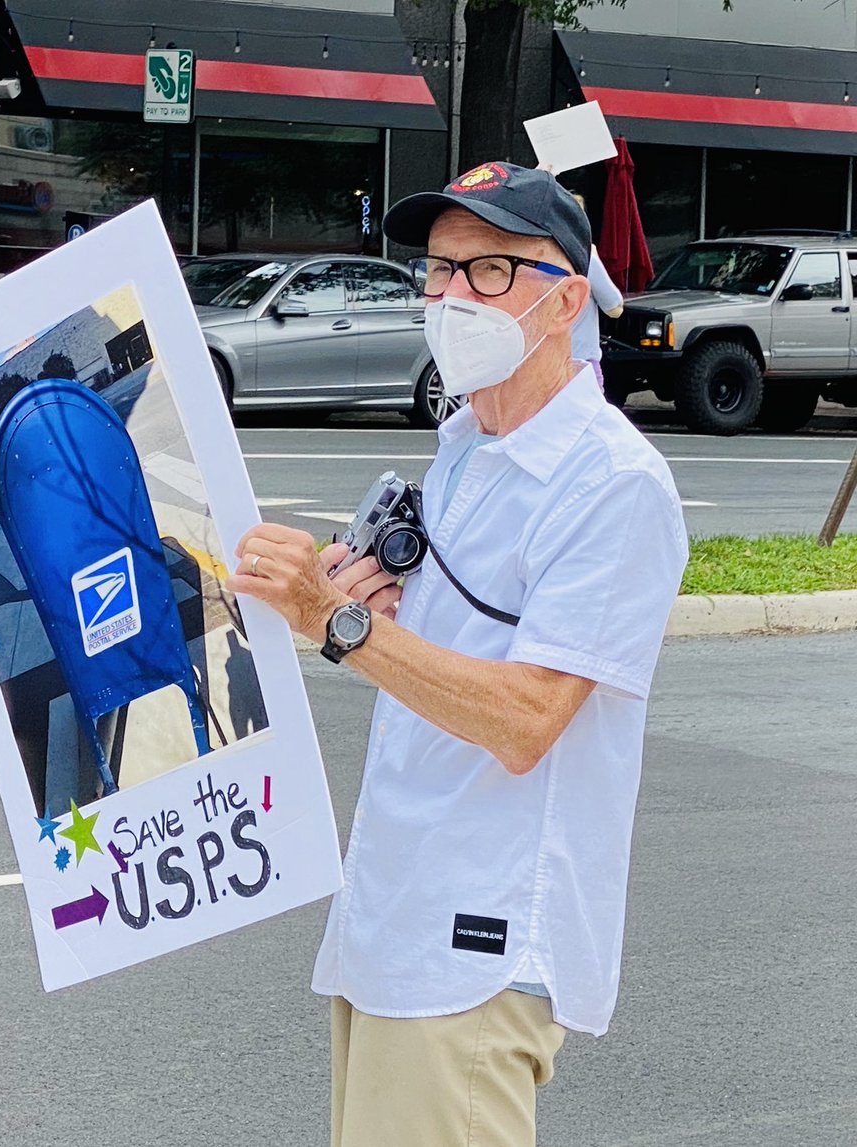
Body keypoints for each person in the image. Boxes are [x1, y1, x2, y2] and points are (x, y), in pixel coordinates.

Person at [226, 161, 688, 1147]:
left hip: (474, 948)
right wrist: (361, 607)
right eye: (437, 270)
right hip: (390, 924)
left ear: (566, 299)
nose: (446, 296)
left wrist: (341, 625)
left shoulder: (612, 486)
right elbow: (420, 651)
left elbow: (526, 720)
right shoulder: (464, 449)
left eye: (486, 271)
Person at [568, 193, 625, 388]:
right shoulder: (585, 260)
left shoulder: (533, 259)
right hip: (580, 361)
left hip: (538, 363)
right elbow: (614, 307)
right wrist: (595, 257)